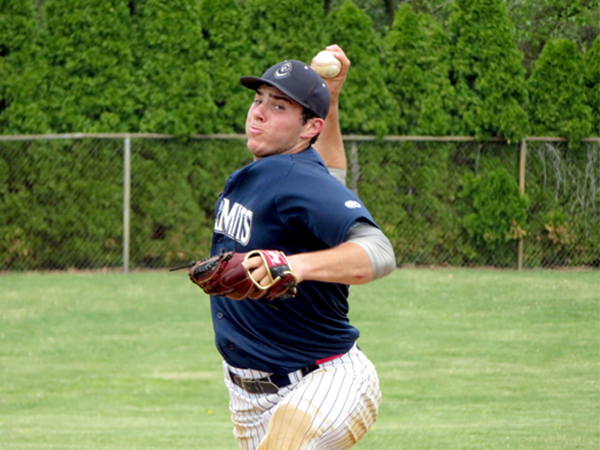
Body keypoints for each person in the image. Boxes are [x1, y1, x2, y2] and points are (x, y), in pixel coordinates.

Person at [208, 45, 396, 449]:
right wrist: (332, 97)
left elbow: (378, 252)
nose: (257, 112)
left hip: (326, 379)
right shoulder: (272, 174)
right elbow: (333, 178)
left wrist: (293, 265)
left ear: (310, 127)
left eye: (278, 107)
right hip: (248, 396)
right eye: (258, 100)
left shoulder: (294, 178)